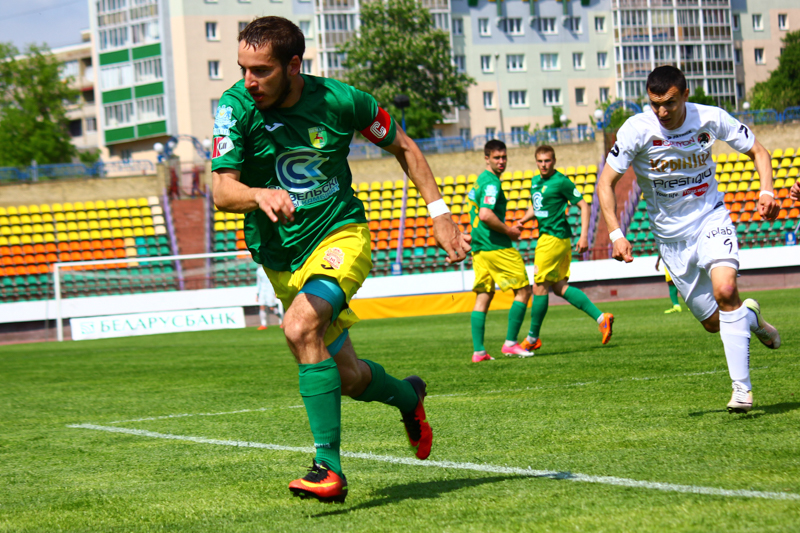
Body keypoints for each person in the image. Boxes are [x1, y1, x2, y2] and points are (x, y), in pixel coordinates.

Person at [211, 17, 471, 503]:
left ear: (293, 65)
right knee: (347, 377)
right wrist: (258, 194)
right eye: (243, 68)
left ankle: (327, 468)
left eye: (261, 70)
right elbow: (222, 190)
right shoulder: (235, 107)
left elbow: (403, 145)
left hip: (340, 235)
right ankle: (408, 396)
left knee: (299, 327)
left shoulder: (341, 101)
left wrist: (440, 214)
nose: (249, 80)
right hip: (281, 258)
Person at [597, 65, 781, 414]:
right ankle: (751, 318)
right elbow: (606, 182)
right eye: (655, 104)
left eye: (669, 103)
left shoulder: (710, 117)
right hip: (671, 240)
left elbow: (760, 152)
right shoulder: (636, 130)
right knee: (712, 323)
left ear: (684, 94)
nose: (662, 112)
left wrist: (767, 191)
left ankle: (742, 390)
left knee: (726, 290)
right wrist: (616, 233)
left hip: (710, 217)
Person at [514, 145, 614, 352]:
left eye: (547, 161)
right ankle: (601, 318)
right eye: (540, 161)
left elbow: (584, 205)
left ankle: (532, 338)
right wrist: (524, 219)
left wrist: (584, 236)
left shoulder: (561, 181)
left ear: (554, 161)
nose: (543, 165)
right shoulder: (535, 181)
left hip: (553, 239)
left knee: (539, 286)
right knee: (559, 287)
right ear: (536, 161)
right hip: (552, 239)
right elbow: (537, 206)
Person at [467, 140, 533, 362]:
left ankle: (479, 351)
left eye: (504, 157)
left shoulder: (479, 181)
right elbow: (485, 214)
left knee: (484, 296)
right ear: (487, 158)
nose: (501, 161)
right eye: (497, 157)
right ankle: (511, 343)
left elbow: (476, 213)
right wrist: (509, 231)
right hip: (496, 246)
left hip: (479, 249)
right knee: (523, 291)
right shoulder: (491, 183)